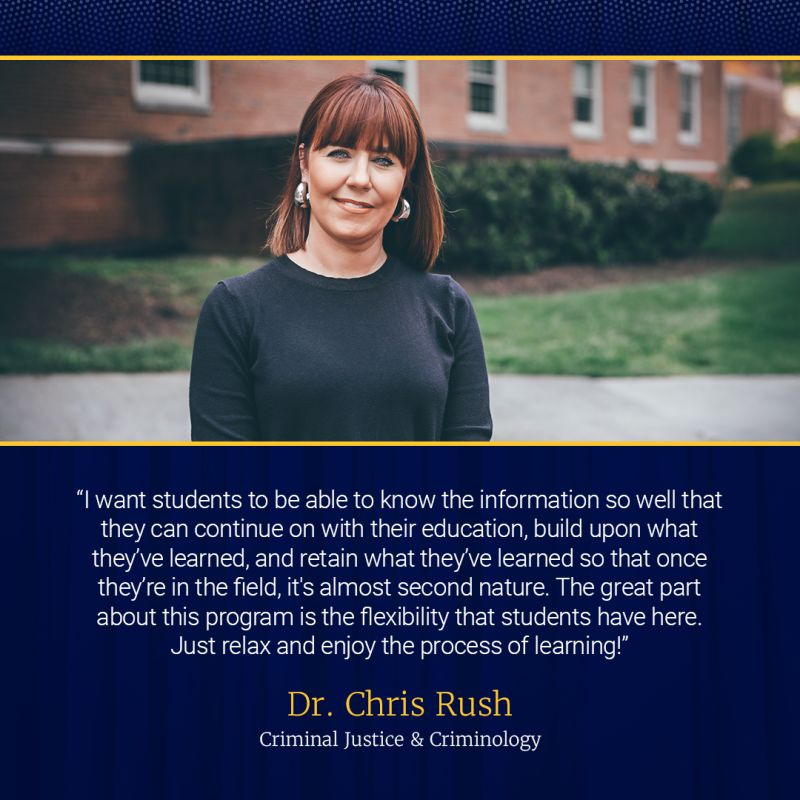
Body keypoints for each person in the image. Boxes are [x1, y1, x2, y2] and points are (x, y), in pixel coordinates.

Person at [190, 74, 492, 441]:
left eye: (383, 160)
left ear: (406, 179)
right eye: (339, 154)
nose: (360, 178)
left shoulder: (447, 306)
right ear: (305, 162)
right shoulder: (236, 309)